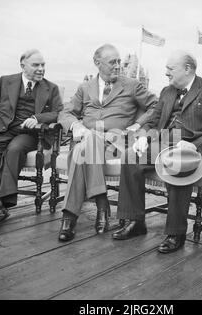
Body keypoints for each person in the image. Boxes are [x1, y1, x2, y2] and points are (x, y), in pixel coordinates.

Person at [113, 50, 202, 253]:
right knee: (130, 156)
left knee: (176, 163)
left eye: (170, 69)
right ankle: (135, 222)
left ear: (187, 69)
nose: (166, 73)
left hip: (196, 147)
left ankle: (176, 232)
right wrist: (143, 136)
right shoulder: (167, 92)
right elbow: (153, 120)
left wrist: (196, 146)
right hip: (165, 143)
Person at [57, 43, 158, 242]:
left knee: (82, 149)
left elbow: (156, 106)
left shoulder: (131, 85)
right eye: (113, 62)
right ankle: (101, 205)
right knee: (85, 148)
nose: (118, 66)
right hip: (88, 143)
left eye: (119, 61)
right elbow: (66, 112)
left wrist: (138, 124)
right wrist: (77, 127)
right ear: (97, 63)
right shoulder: (85, 88)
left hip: (116, 144)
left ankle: (70, 218)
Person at [0, 49, 63, 228]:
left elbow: (58, 112)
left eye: (43, 65)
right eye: (36, 65)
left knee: (15, 150)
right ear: (23, 66)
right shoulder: (6, 81)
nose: (41, 69)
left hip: (30, 134)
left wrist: (37, 118)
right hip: (2, 129)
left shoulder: (51, 88)